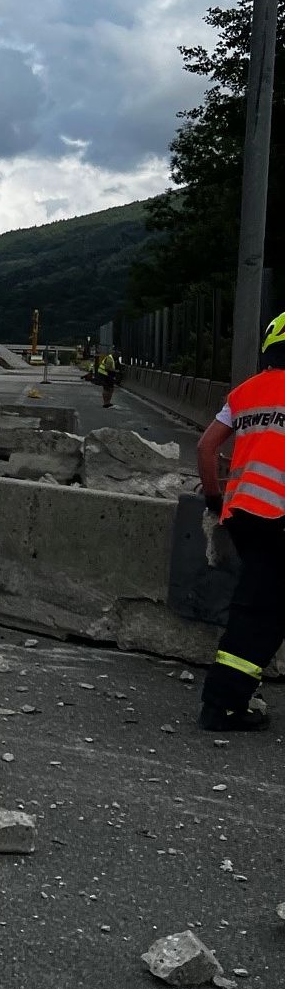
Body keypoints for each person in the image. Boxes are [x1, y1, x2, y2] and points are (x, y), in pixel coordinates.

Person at [194, 311, 285, 732]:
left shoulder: (246, 393)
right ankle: (222, 704)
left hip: (244, 516)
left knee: (260, 607)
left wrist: (215, 498)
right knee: (259, 614)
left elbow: (207, 447)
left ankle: (231, 694)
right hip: (280, 519)